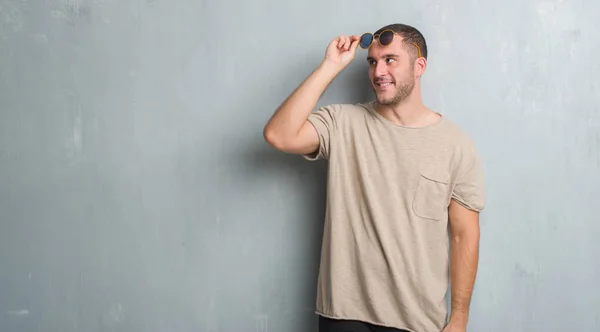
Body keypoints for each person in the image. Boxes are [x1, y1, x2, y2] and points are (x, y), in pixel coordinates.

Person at [263, 23, 486, 332]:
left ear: (419, 66)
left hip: (417, 320)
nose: (378, 71)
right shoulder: (343, 123)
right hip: (344, 314)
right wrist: (330, 66)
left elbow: (465, 236)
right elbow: (279, 135)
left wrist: (459, 318)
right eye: (372, 62)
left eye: (390, 60)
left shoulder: (456, 145)